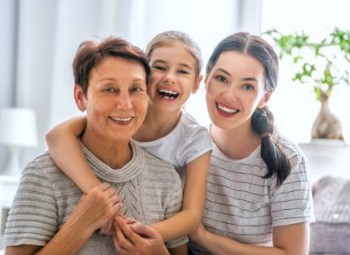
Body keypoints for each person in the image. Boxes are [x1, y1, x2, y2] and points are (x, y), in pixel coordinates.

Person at [4, 37, 186, 255]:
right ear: (81, 97)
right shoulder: (43, 175)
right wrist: (81, 225)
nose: (125, 104)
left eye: (136, 89)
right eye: (109, 89)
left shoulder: (166, 179)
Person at [45, 30, 212, 252]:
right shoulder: (121, 116)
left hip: (156, 223)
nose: (170, 77)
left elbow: (191, 215)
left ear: (196, 83)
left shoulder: (194, 138)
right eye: (160, 67)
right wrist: (101, 199)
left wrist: (135, 232)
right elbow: (57, 136)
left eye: (182, 71)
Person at [188, 32, 314, 255]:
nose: (229, 95)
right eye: (221, 78)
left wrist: (204, 237)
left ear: (265, 97)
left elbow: (293, 253)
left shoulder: (288, 159)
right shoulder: (187, 142)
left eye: (247, 86)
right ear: (206, 80)